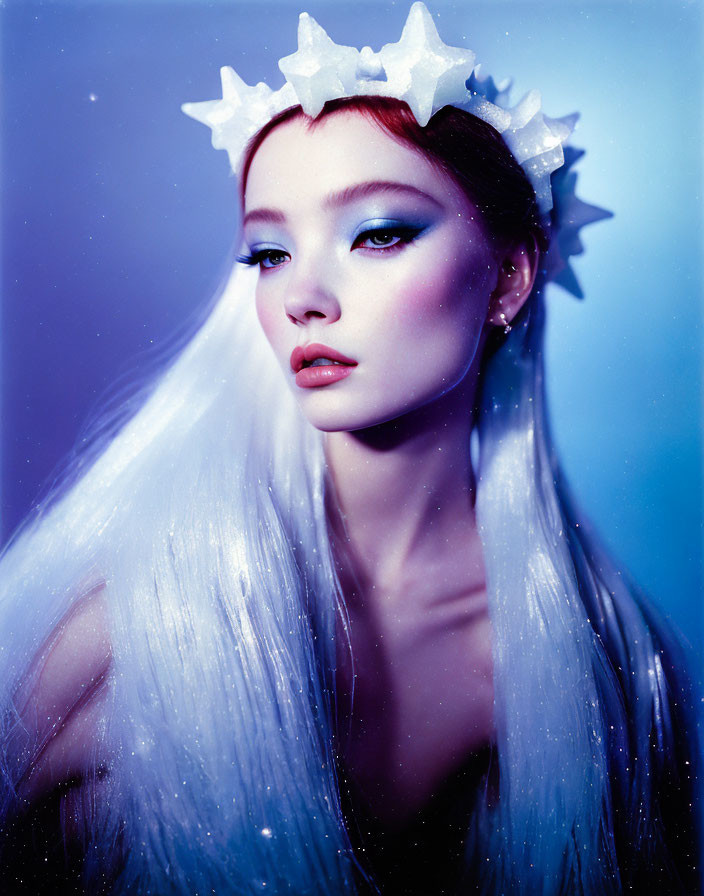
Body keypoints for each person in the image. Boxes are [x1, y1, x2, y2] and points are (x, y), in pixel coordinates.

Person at [0, 3, 699, 894]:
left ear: (510, 277)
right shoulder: (137, 624)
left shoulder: (595, 666)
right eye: (268, 252)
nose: (304, 297)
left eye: (378, 233)